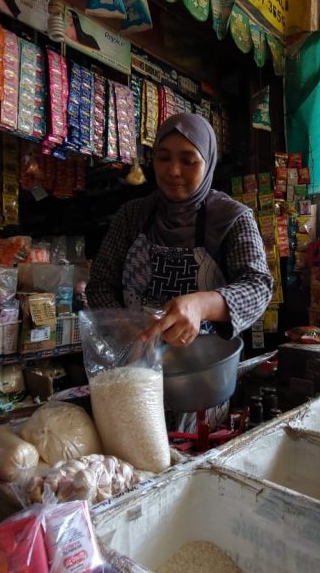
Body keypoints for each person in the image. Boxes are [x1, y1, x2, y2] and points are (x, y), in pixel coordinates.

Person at [86, 113, 273, 429]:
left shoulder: (232, 218)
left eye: (188, 161)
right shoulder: (132, 216)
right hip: (136, 373)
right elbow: (100, 284)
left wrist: (201, 305)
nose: (173, 171)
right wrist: (128, 328)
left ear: (208, 162)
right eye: (164, 158)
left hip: (203, 381)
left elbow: (258, 286)